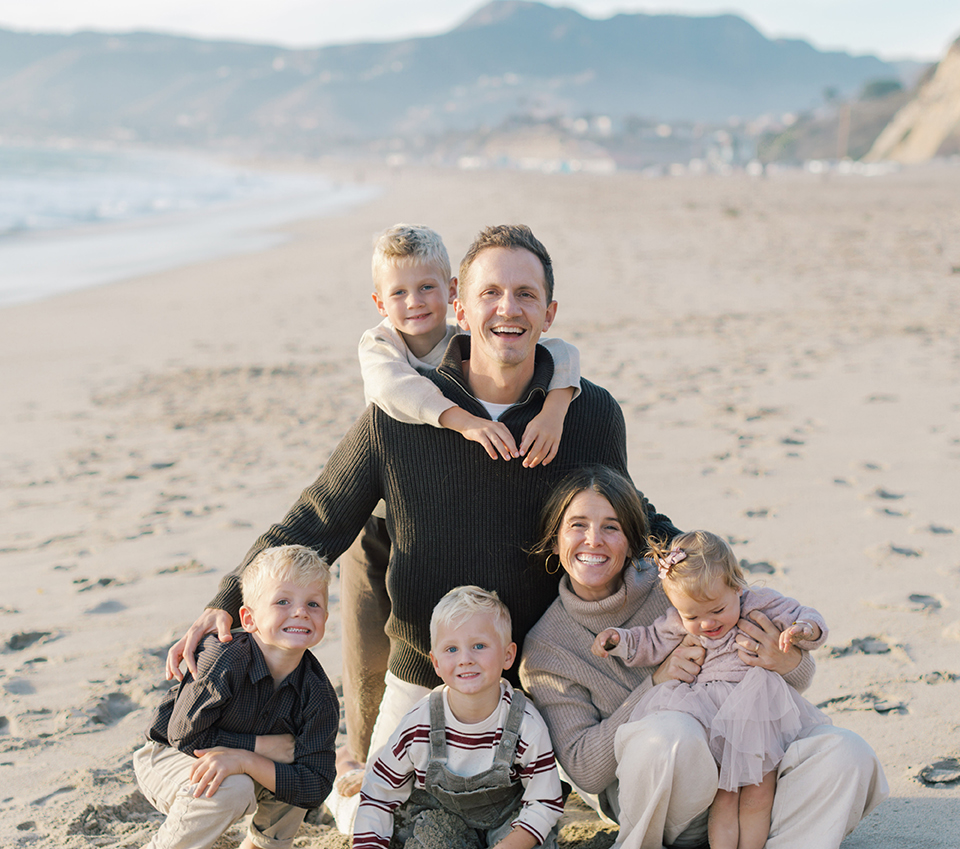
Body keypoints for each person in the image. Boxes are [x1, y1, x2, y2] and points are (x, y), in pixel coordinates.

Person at [165, 225, 675, 802]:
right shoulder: (399, 413)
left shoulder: (589, 412)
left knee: (610, 802)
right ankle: (346, 769)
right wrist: (226, 597)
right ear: (460, 304)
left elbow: (635, 519)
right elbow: (315, 521)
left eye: (526, 295)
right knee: (371, 823)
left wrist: (717, 579)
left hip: (546, 671)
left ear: (549, 313)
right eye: (490, 293)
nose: (508, 309)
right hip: (425, 669)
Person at [519, 467, 889, 849]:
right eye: (577, 526)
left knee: (849, 754)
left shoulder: (681, 585)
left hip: (750, 771)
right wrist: (654, 684)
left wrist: (782, 657)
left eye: (611, 527)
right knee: (671, 734)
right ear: (555, 538)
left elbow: (798, 679)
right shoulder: (547, 646)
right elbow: (583, 768)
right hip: (666, 805)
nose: (594, 540)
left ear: (634, 537)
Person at [338, 223, 581, 799]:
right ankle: (358, 749)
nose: (413, 304)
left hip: (437, 501)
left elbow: (563, 352)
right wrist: (464, 421)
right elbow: (397, 395)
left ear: (450, 295)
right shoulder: (381, 348)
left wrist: (557, 404)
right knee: (370, 632)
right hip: (379, 509)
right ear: (379, 302)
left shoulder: (466, 335)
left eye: (426, 290)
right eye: (398, 294)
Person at [592, 531, 829, 849]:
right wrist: (620, 641)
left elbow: (801, 613)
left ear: (737, 586)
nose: (707, 624)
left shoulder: (757, 603)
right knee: (725, 795)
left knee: (758, 794)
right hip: (708, 713)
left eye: (717, 610)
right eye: (693, 616)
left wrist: (804, 629)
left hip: (756, 712)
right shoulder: (677, 620)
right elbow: (650, 641)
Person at [126, 545, 338, 849]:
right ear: (249, 618)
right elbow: (184, 733)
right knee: (234, 786)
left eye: (313, 604)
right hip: (168, 756)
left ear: (325, 617)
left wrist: (245, 759)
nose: (300, 611)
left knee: (295, 765)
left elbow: (316, 783)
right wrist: (259, 749)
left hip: (229, 762)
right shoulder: (223, 656)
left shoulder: (318, 693)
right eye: (283, 602)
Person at [337, 586, 562, 849]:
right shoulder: (420, 723)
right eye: (452, 649)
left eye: (480, 646)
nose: (466, 659)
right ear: (436, 662)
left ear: (508, 655)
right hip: (440, 814)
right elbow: (380, 789)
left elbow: (546, 801)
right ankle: (348, 770)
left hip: (505, 818)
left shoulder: (525, 723)